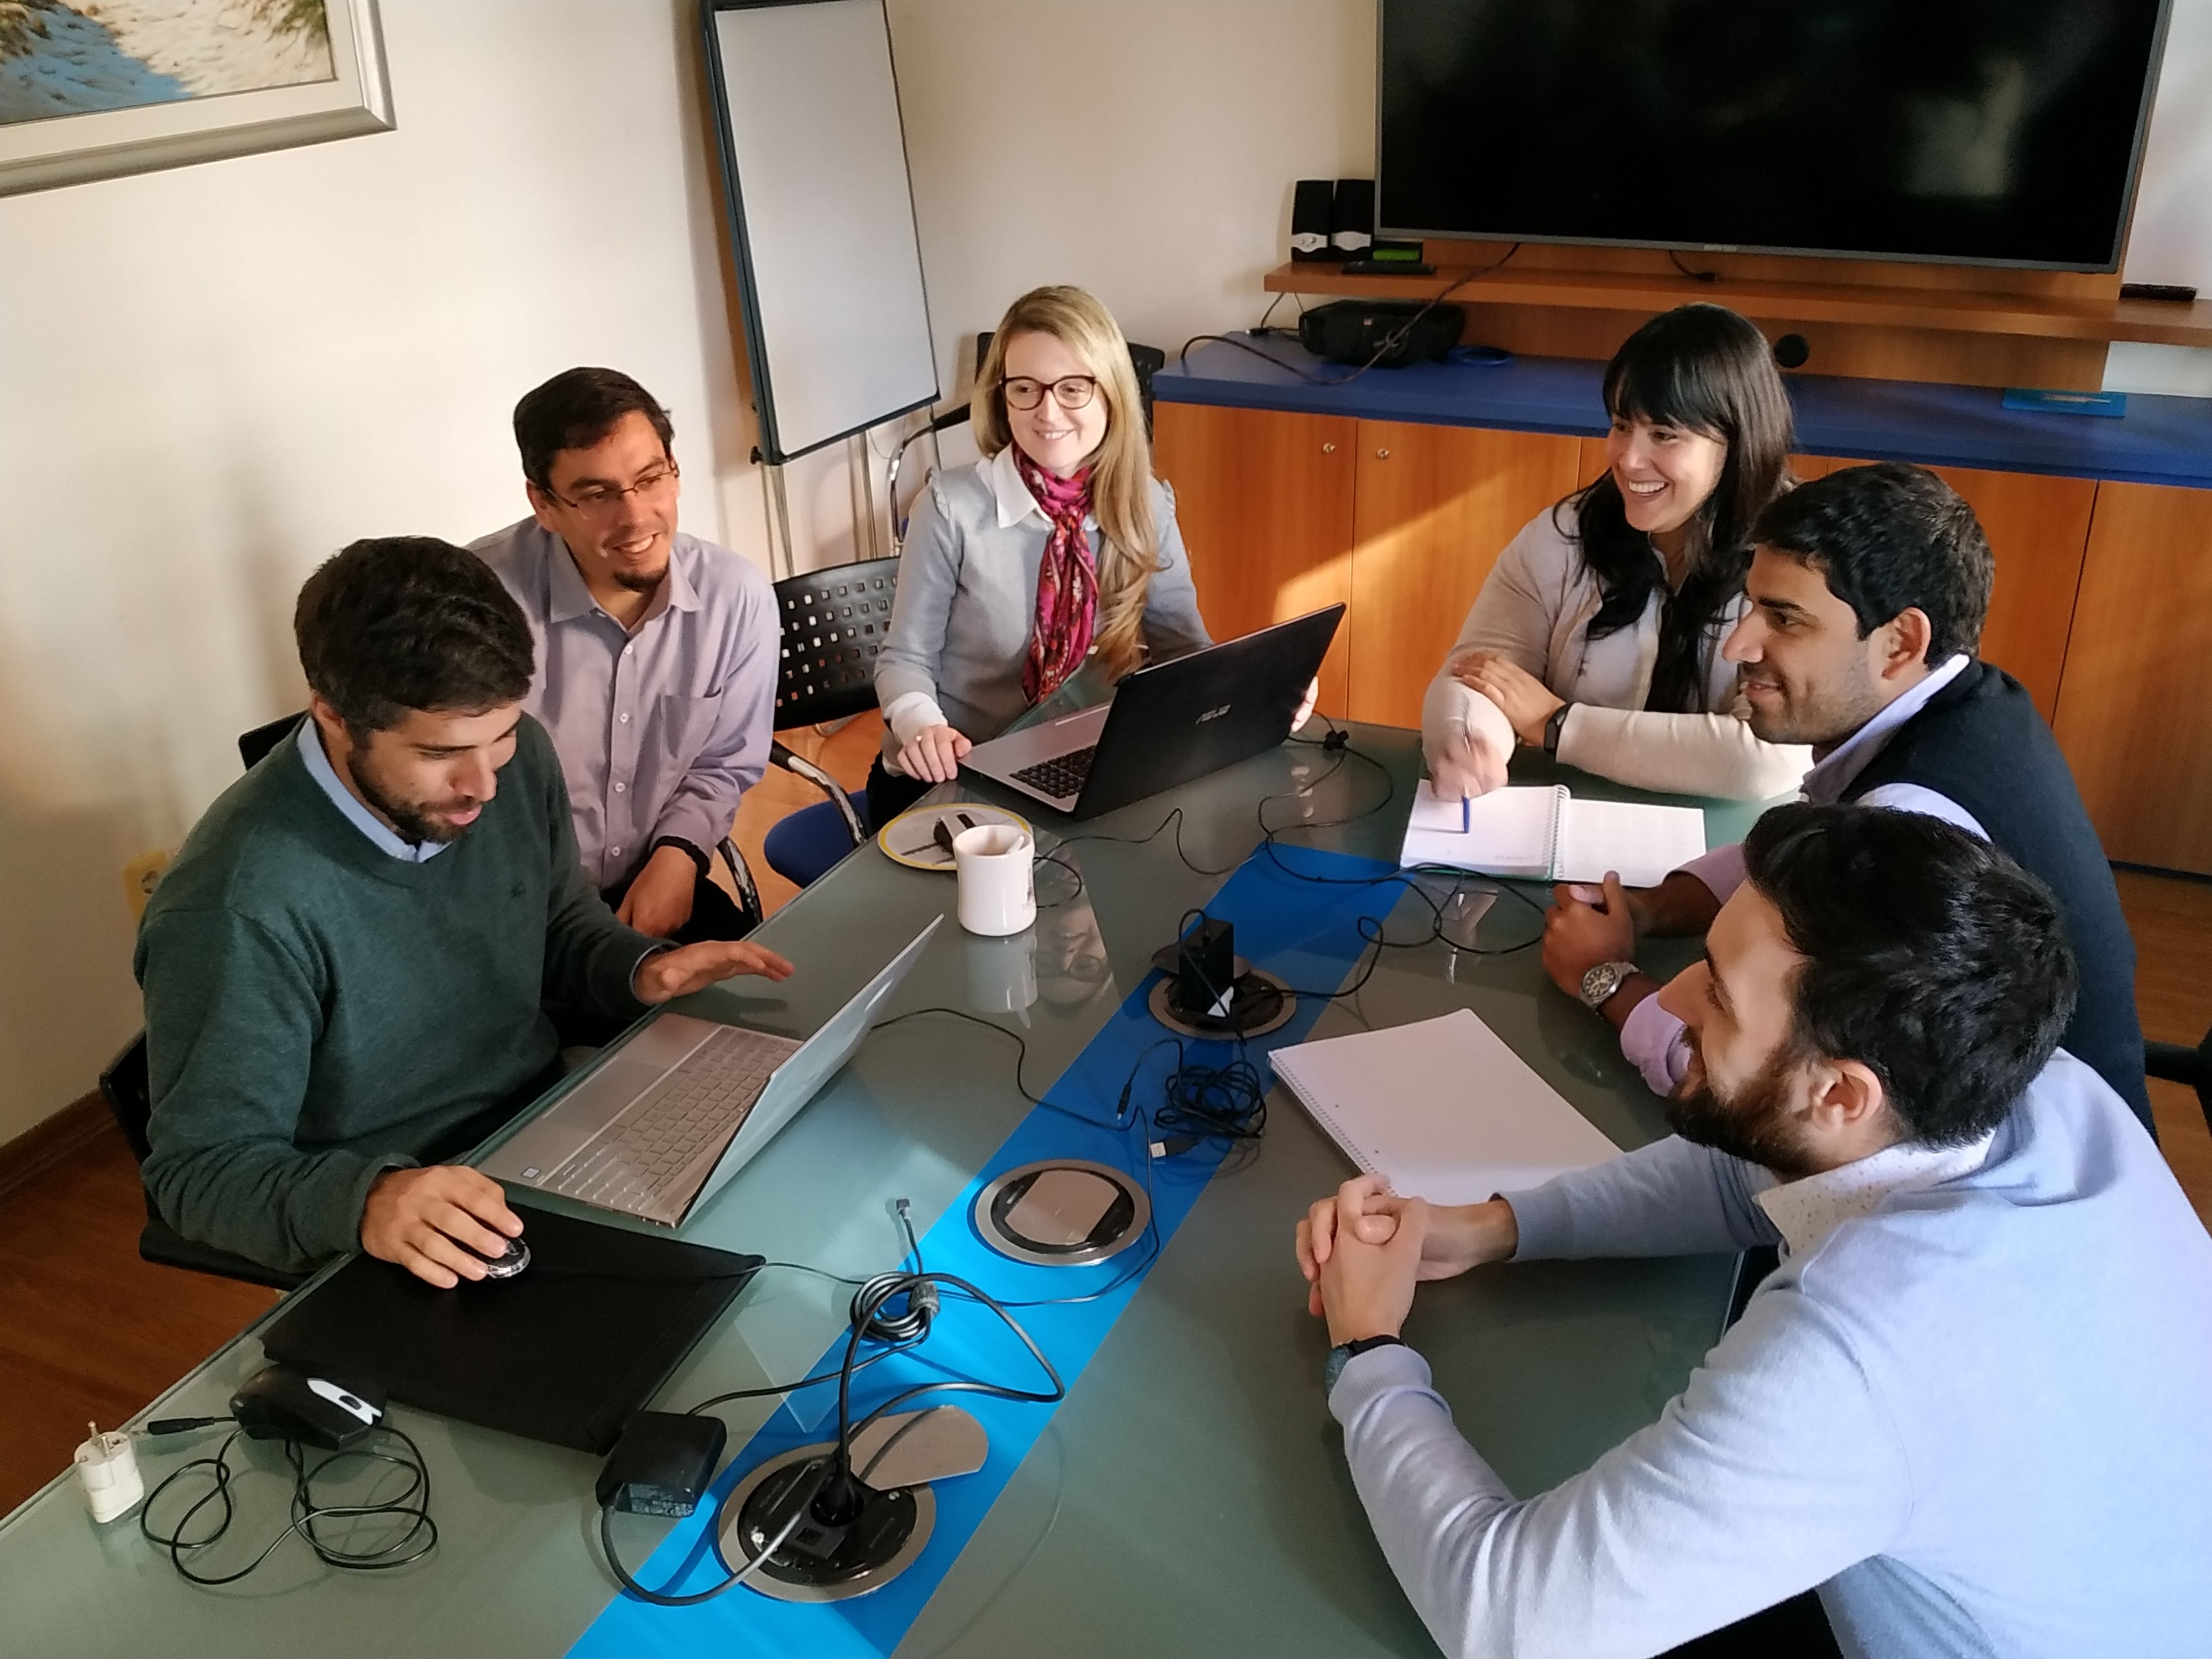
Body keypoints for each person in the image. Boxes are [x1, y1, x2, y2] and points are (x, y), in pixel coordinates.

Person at [1297, 805, 2212, 1658]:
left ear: (1842, 1091)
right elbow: (1755, 1163)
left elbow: (1508, 1618)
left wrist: (1368, 1349)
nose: (1681, 998)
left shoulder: (1862, 1349)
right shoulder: (2039, 1090)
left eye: (1723, 998)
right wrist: (1493, 1228)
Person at [137, 538, 792, 1285]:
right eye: (441, 753)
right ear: (333, 716)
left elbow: (557, 923)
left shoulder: (517, 763)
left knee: (781, 1227)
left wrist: (638, 970)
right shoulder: (236, 907)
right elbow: (199, 1173)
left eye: (503, 734)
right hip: (411, 1230)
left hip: (545, 1125)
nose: (484, 783)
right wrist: (368, 1200)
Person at [1541, 462, 2153, 1134]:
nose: (1742, 644)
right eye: (1752, 606)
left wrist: (1605, 980)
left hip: (2014, 1185)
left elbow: (1758, 1085)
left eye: (1785, 618)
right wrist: (1651, 908)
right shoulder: (1966, 697)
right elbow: (1810, 841)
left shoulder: (1914, 824)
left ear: (1900, 643)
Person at [1423, 303, 1811, 802]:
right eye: (1622, 426)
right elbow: (1480, 672)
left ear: (1737, 444)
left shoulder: (1798, 561)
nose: (1628, 460)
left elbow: (1768, 757)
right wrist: (1468, 740)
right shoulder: (1565, 535)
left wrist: (1557, 724)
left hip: (1726, 855)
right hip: (1570, 822)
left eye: (1665, 435)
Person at [869, 285, 1213, 826]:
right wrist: (922, 727)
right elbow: (904, 661)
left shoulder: (1146, 502)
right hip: (958, 778)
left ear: (1110, 394)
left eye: (1073, 388)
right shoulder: (950, 508)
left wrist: (1258, 691)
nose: (1047, 411)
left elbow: (1184, 650)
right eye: (1025, 388)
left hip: (1087, 768)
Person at [474, 367, 778, 944]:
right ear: (544, 503)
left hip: (657, 871)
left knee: (773, 1018)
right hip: (517, 911)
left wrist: (681, 855)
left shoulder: (735, 597)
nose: (636, 517)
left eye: (650, 479)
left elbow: (723, 763)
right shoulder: (479, 603)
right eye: (596, 495)